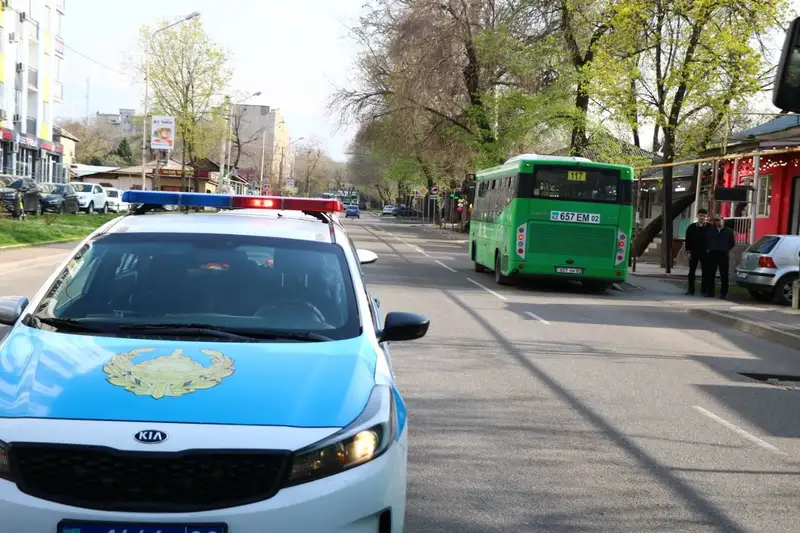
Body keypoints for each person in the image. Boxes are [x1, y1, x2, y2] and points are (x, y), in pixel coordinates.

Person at [704, 214, 736, 298]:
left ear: (723, 221)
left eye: (720, 220)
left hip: (723, 254)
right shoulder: (711, 230)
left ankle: (723, 293)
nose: (718, 222)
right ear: (714, 222)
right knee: (711, 274)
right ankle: (710, 292)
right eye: (716, 220)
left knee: (724, 274)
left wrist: (726, 248)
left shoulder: (728, 231)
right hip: (713, 254)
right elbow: (707, 240)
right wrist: (710, 248)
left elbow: (732, 243)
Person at [684, 208, 710, 295]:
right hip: (693, 252)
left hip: (706, 253)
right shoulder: (691, 227)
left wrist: (710, 250)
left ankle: (704, 290)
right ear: (697, 216)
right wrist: (688, 251)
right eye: (701, 216)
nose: (702, 217)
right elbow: (687, 240)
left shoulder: (710, 228)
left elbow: (713, 240)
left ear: (706, 217)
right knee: (692, 272)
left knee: (705, 272)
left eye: (704, 216)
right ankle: (691, 290)